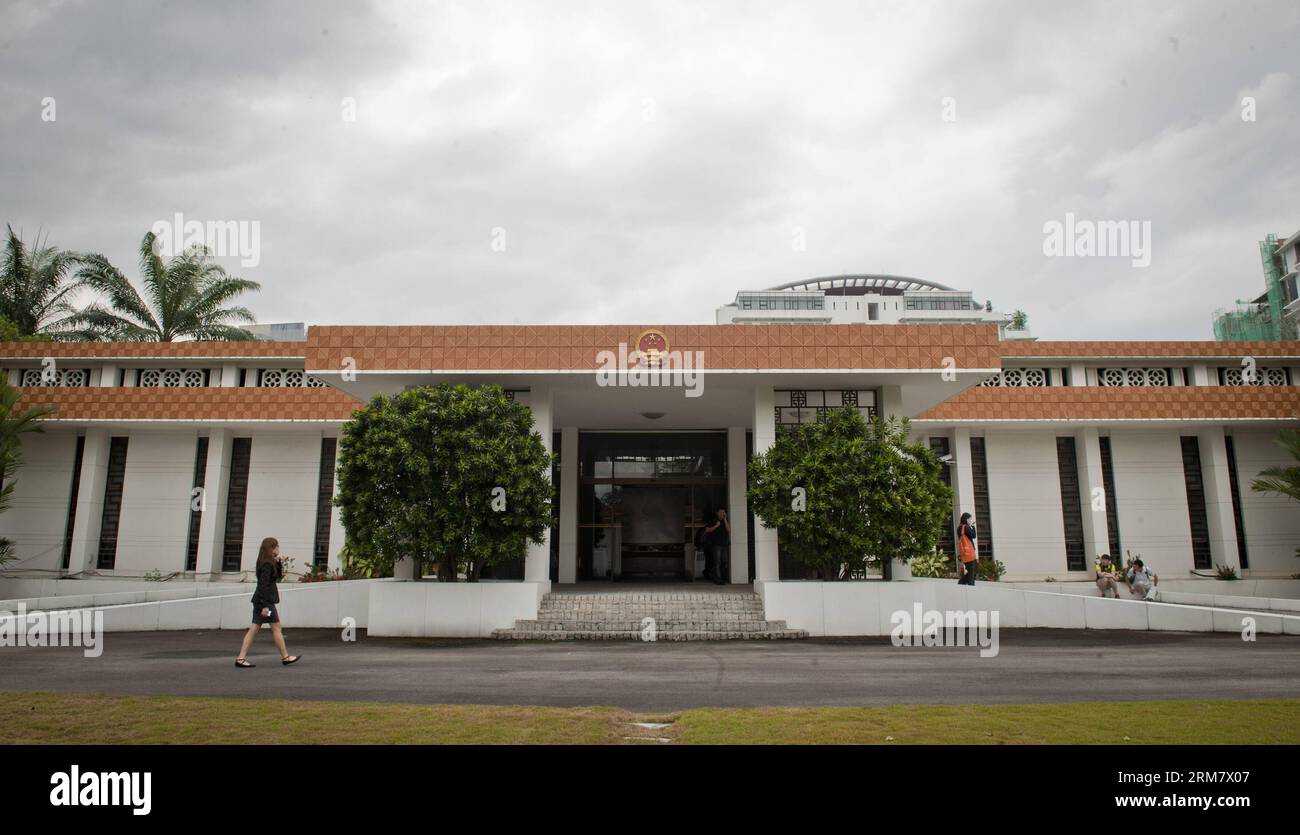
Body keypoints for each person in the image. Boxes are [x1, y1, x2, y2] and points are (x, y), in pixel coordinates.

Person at [235, 537, 301, 667]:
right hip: (265, 601)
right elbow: (263, 585)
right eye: (277, 546)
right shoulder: (266, 563)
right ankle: (285, 657)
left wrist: (278, 561)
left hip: (261, 600)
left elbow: (278, 576)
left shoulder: (267, 561)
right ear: (272, 547)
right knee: (276, 628)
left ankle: (241, 658)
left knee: (255, 628)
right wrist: (265, 605)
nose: (278, 548)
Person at [704, 508, 730, 586]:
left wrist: (725, 520)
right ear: (717, 513)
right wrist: (716, 526)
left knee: (724, 561)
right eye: (721, 512)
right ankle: (718, 578)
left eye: (724, 512)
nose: (723, 513)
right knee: (717, 562)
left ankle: (713, 573)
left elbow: (728, 530)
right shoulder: (714, 520)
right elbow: (707, 530)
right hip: (716, 545)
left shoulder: (725, 521)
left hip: (724, 545)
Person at [956, 512, 978, 585]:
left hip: (964, 553)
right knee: (972, 571)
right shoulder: (965, 527)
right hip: (969, 553)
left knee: (972, 570)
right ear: (966, 519)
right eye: (969, 519)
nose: (970, 521)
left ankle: (962, 582)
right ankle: (969, 586)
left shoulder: (959, 527)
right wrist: (973, 527)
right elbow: (973, 535)